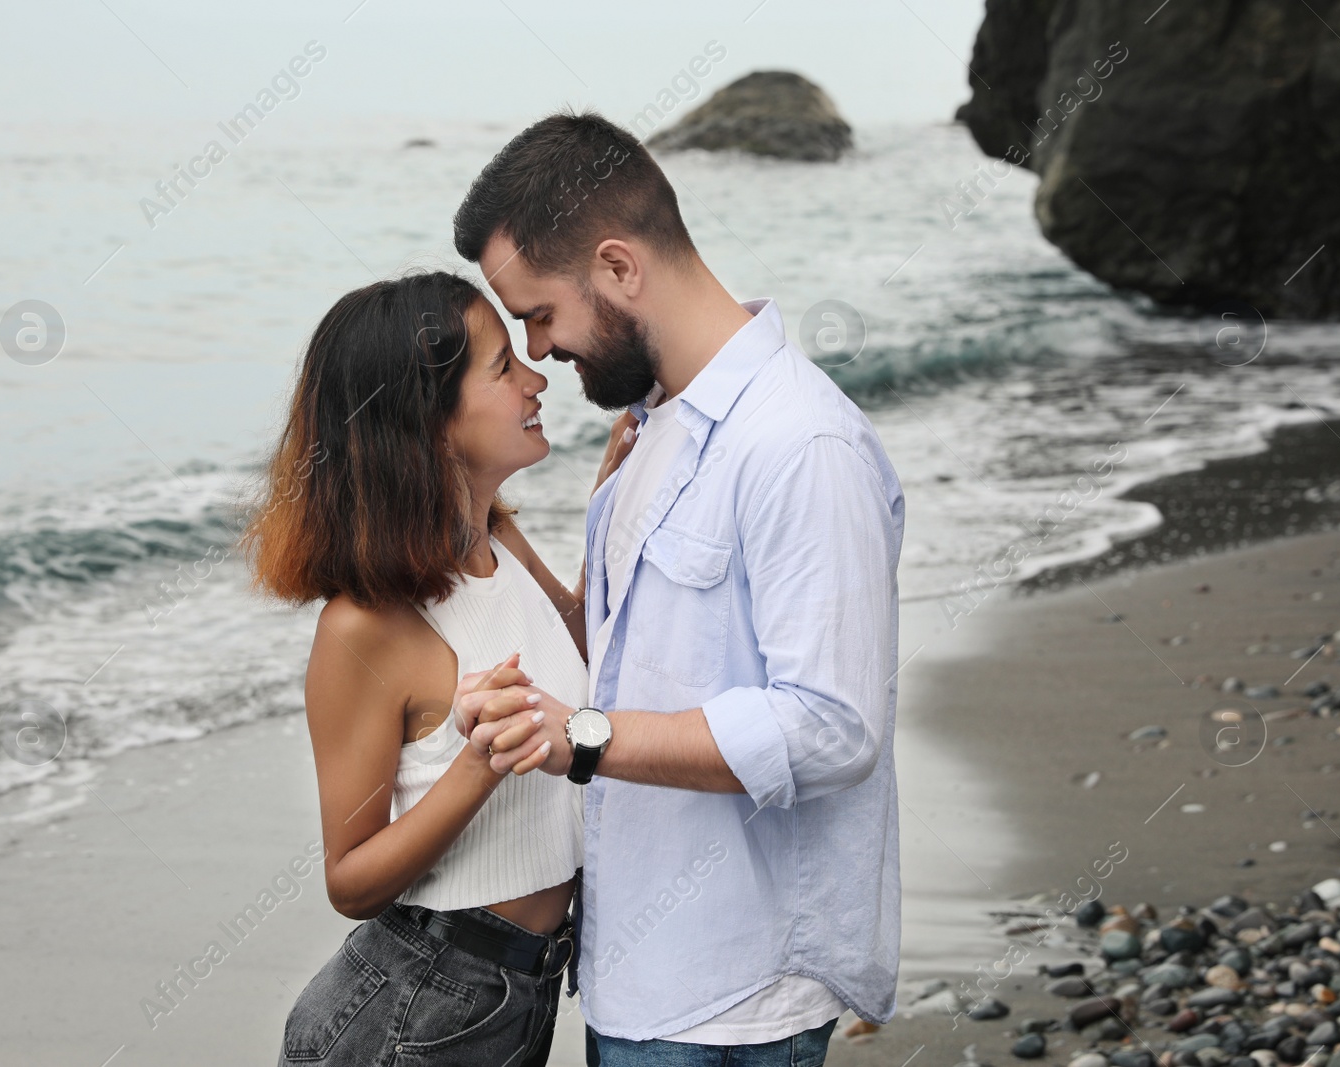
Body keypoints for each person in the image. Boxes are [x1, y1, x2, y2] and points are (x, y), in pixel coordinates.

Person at [449, 110, 907, 1067]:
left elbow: (832, 725)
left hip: (732, 992)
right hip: (637, 968)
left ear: (618, 268)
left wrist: (577, 738)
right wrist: (486, 510)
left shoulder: (797, 443)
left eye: (538, 313)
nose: (536, 350)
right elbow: (624, 659)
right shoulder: (653, 430)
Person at [239, 269, 635, 1066]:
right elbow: (350, 881)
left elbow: (586, 653)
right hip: (412, 1011)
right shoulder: (365, 628)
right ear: (429, 421)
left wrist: (613, 505)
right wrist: (477, 766)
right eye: (500, 367)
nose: (536, 375)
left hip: (518, 994)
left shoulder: (496, 539)